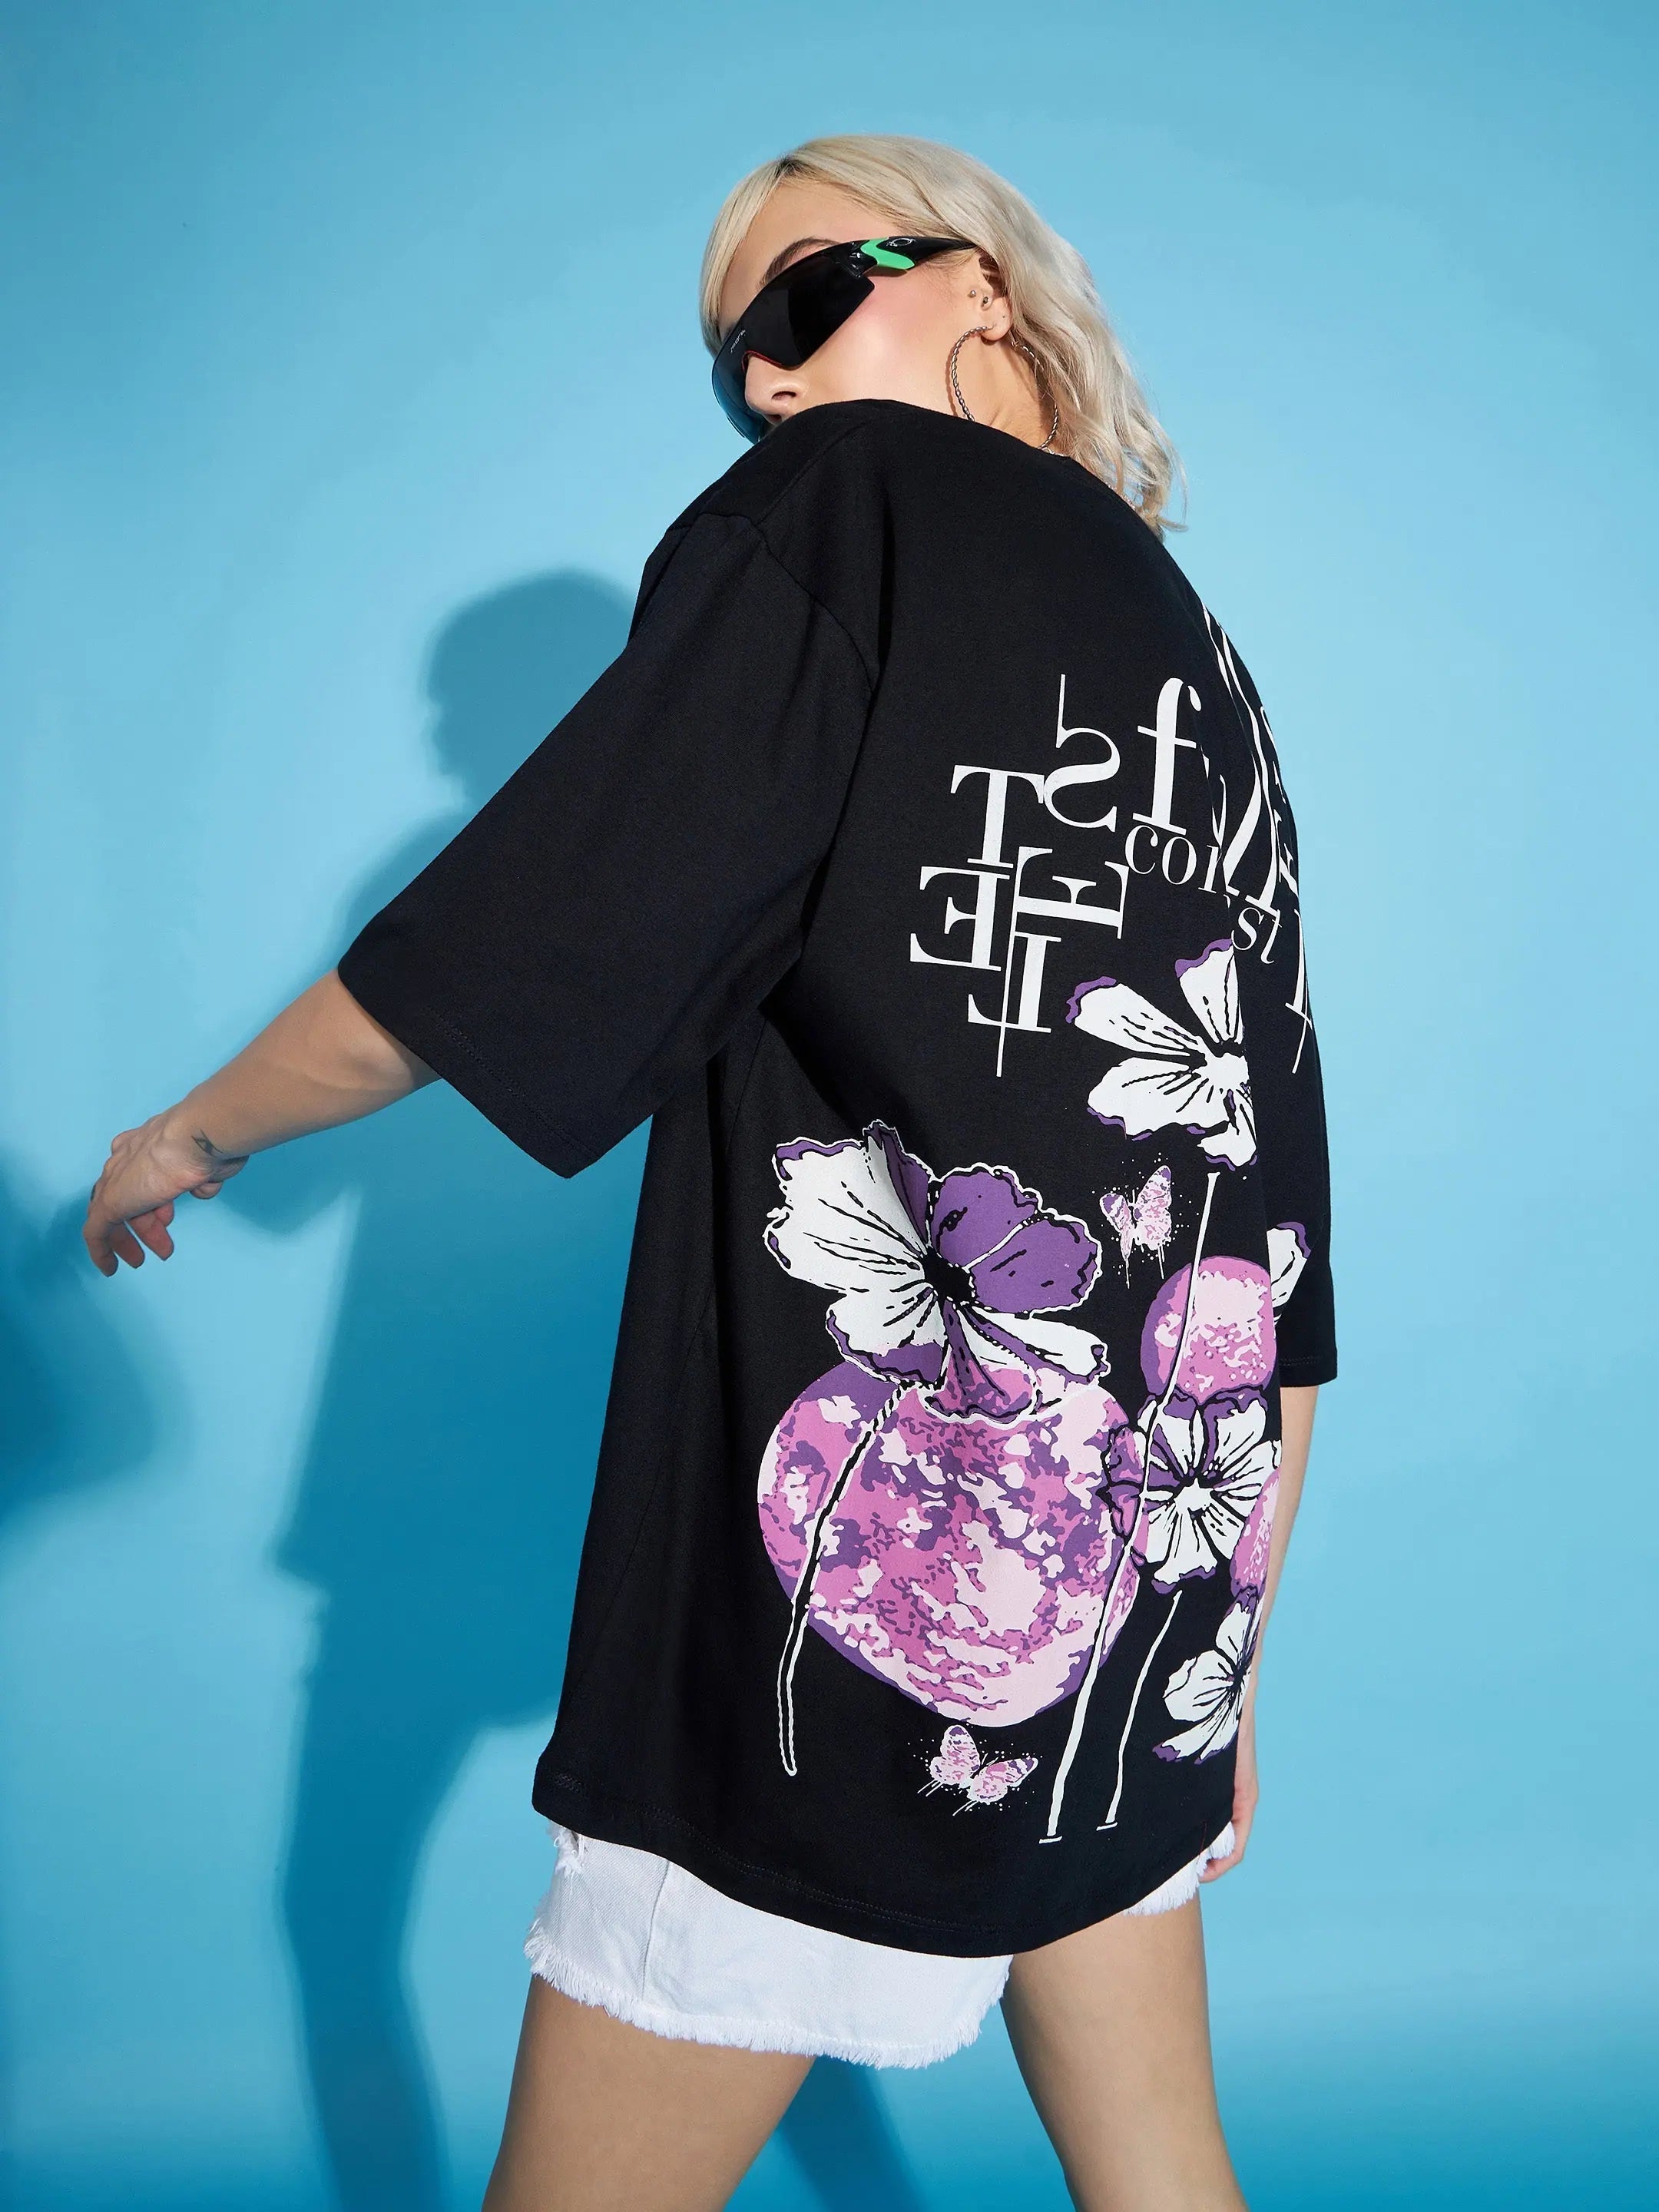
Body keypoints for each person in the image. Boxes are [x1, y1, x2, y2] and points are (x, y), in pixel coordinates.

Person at [84, 134, 1336, 2212]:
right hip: (1143, 1595)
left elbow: (510, 945)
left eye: (806, 296)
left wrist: (187, 1134)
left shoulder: (846, 507)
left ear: (977, 286)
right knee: (1162, 2171)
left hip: (862, 1594)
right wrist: (1222, 1664)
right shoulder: (1194, 651)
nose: (766, 376)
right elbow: (1267, 1198)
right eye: (735, 351)